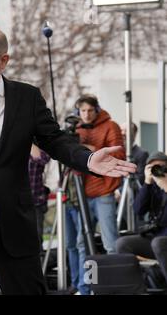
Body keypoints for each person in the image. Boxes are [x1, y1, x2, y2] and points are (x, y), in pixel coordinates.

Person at [0, 25, 137, 295]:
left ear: (3, 60)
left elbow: (55, 141)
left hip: (16, 229)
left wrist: (87, 160)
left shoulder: (27, 98)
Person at [75, 94, 125, 295]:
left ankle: (113, 288)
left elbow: (119, 155)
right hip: (82, 193)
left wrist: (90, 148)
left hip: (104, 192)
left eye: (89, 110)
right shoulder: (76, 129)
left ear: (96, 110)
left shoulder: (110, 126)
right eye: (82, 111)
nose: (86, 115)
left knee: (110, 244)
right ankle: (85, 288)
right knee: (82, 244)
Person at [116, 151, 167, 282]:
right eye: (152, 168)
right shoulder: (151, 186)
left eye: (161, 167)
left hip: (162, 240)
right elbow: (138, 211)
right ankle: (137, 286)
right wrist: (147, 183)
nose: (157, 171)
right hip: (156, 237)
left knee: (158, 243)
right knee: (123, 243)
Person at [28, 143, 50, 251]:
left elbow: (44, 159)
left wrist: (28, 140)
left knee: (36, 241)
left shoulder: (36, 146)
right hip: (15, 203)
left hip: (35, 202)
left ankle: (39, 266)